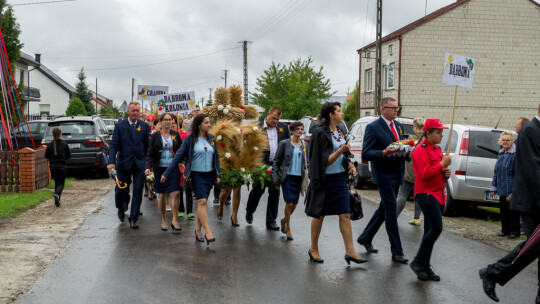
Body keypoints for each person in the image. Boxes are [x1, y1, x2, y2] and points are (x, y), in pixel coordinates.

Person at [479, 104, 540, 303]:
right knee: (534, 245)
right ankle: (492, 272)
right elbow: (533, 171)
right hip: (532, 201)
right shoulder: (530, 130)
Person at [304, 102, 364, 264]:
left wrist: (350, 165)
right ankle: (314, 248)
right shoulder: (320, 133)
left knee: (345, 214)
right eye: (339, 111)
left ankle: (350, 251)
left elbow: (343, 154)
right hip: (324, 180)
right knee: (320, 214)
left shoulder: (340, 131)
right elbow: (323, 162)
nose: (342, 113)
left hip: (339, 179)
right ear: (331, 114)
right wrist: (340, 151)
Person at [356, 97, 409, 264]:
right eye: (393, 108)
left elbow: (401, 147)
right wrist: (384, 153)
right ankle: (397, 252)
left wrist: (407, 149)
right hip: (383, 175)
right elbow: (366, 153)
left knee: (384, 209)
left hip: (397, 173)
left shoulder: (399, 127)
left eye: (397, 108)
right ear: (383, 109)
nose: (396, 110)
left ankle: (365, 237)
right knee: (391, 212)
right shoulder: (373, 127)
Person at [161, 114, 221, 245]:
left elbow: (216, 157)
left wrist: (217, 175)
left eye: (209, 122)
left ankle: (198, 230)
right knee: (202, 202)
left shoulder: (211, 139)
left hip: (209, 175)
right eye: (206, 122)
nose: (209, 125)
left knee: (202, 204)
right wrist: (166, 173)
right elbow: (177, 157)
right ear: (199, 124)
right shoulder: (190, 139)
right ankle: (208, 232)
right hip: (196, 174)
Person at [409, 118, 451, 281]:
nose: (441, 135)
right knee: (436, 228)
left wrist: (445, 173)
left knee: (429, 230)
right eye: (438, 132)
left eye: (442, 132)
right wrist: (442, 164)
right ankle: (418, 261)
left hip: (437, 193)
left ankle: (425, 265)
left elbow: (438, 174)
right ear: (428, 133)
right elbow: (425, 174)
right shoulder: (421, 150)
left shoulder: (437, 150)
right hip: (426, 194)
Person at [245, 107, 290, 230]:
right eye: (273, 118)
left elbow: (287, 145)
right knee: (258, 190)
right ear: (268, 114)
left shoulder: (284, 128)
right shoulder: (257, 128)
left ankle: (271, 221)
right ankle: (249, 211)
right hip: (261, 164)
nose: (275, 121)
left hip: (276, 166)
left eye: (277, 119)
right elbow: (249, 146)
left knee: (275, 193)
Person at [107, 101, 151, 229]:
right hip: (123, 163)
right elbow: (114, 145)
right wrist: (111, 162)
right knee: (121, 190)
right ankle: (121, 207)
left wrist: (149, 164)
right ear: (128, 111)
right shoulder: (120, 126)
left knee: (138, 190)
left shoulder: (144, 126)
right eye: (133, 111)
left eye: (137, 111)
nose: (135, 113)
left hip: (139, 164)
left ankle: (133, 217)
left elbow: (148, 146)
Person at [145, 113, 182, 232]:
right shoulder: (155, 136)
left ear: (172, 121)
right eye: (165, 120)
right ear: (160, 122)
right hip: (160, 168)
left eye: (170, 119)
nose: (168, 122)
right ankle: (164, 218)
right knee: (161, 194)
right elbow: (150, 153)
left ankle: (175, 219)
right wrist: (148, 166)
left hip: (173, 168)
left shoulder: (176, 135)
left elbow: (181, 150)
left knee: (176, 193)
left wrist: (184, 162)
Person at [272, 121, 309, 241]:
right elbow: (276, 160)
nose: (300, 131)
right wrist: (275, 176)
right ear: (292, 131)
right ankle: (288, 228)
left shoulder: (304, 145)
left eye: (301, 129)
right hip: (287, 177)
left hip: (299, 177)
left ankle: (284, 220)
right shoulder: (285, 143)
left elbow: (307, 162)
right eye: (297, 129)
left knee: (295, 205)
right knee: (289, 203)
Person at [490, 131, 519, 239]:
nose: (505, 142)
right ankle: (505, 230)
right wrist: (494, 187)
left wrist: (514, 191)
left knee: (512, 212)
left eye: (508, 140)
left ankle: (515, 231)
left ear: (512, 142)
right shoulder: (501, 153)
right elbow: (496, 171)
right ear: (500, 142)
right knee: (503, 211)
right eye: (504, 140)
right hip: (502, 187)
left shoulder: (515, 155)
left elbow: (517, 174)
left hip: (511, 189)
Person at [396, 117, 425, 225]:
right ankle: (417, 218)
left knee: (403, 194)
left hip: (409, 170)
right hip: (421, 171)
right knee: (417, 196)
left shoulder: (410, 139)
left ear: (416, 127)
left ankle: (394, 217)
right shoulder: (426, 140)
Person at [45, 127, 71, 207]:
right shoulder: (65, 145)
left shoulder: (49, 145)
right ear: (60, 135)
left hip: (53, 167)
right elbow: (69, 156)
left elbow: (46, 156)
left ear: (53, 135)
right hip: (62, 167)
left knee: (56, 182)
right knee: (61, 184)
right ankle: (57, 194)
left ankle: (58, 199)